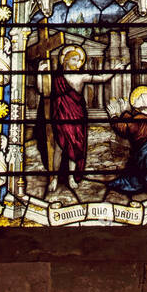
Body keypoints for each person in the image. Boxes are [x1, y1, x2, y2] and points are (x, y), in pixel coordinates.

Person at [37, 46, 114, 194]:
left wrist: (116, 69)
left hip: (77, 116)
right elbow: (42, 90)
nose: (78, 63)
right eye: (74, 59)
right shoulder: (56, 77)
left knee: (75, 147)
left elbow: (102, 78)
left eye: (79, 60)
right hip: (60, 116)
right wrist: (40, 72)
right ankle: (53, 179)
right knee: (59, 147)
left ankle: (71, 178)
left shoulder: (81, 76)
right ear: (66, 60)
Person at [106, 85, 147, 195]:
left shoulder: (139, 119)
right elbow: (131, 122)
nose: (135, 100)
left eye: (138, 98)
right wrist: (125, 111)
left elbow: (125, 128)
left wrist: (114, 116)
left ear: (143, 102)